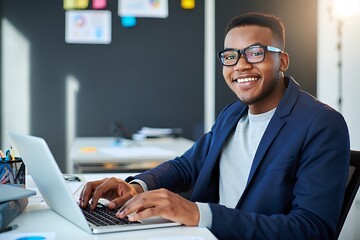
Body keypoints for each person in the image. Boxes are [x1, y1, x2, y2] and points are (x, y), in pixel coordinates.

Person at [79, 12, 350, 239]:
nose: (241, 65)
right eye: (231, 56)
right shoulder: (233, 114)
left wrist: (199, 214)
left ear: (283, 61)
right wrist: (137, 186)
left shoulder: (321, 124)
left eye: (255, 53)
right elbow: (186, 166)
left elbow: (313, 230)